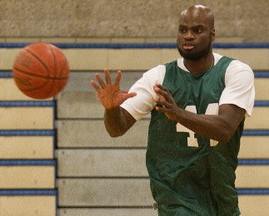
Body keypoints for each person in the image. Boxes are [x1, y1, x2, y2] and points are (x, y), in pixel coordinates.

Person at [91, 4, 255, 216]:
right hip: (176, 201)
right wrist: (112, 110)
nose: (188, 36)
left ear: (212, 35)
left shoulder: (235, 72)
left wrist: (177, 113)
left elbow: (224, 129)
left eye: (197, 30)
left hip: (221, 198)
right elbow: (117, 128)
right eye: (182, 30)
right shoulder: (159, 77)